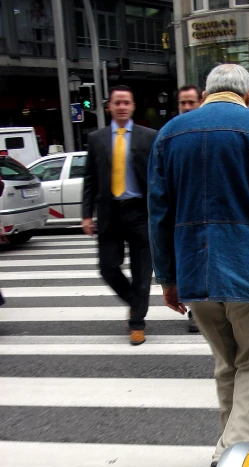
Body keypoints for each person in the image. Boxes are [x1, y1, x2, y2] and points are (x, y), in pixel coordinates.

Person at [148, 64, 249, 467]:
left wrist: (167, 278)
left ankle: (229, 451)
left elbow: (158, 213)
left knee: (226, 361)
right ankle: (232, 454)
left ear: (205, 93)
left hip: (194, 269)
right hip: (245, 267)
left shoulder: (169, 134)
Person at [82, 85, 157, 346]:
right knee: (107, 267)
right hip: (109, 212)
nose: (122, 106)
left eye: (127, 102)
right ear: (109, 107)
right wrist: (86, 215)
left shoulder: (149, 137)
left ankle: (137, 323)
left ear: (133, 106)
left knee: (142, 272)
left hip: (140, 212)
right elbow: (90, 177)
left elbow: (157, 177)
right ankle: (135, 302)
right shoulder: (97, 138)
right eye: (118, 103)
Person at [176, 84, 202, 334]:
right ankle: (196, 309)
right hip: (183, 213)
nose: (186, 107)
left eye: (190, 102)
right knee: (191, 263)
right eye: (182, 103)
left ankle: (201, 310)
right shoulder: (171, 135)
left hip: (205, 210)